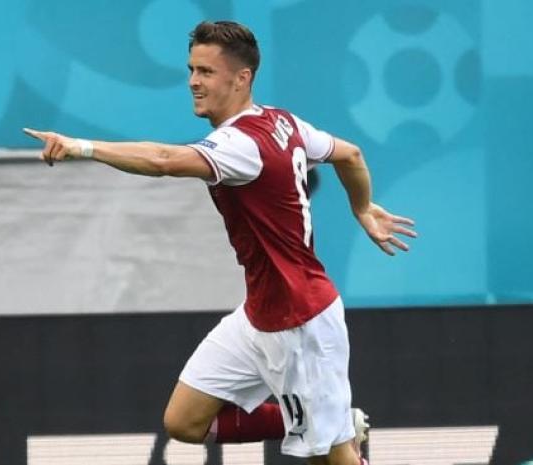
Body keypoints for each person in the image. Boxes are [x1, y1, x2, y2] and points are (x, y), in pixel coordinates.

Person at [24, 20, 416, 465]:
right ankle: (326, 420)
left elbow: (164, 160)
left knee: (330, 458)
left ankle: (332, 427)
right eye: (192, 69)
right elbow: (350, 155)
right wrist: (362, 207)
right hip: (259, 316)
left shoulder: (241, 146)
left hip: (302, 323)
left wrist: (82, 147)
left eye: (206, 72)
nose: (193, 81)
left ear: (241, 78)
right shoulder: (281, 121)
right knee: (185, 422)